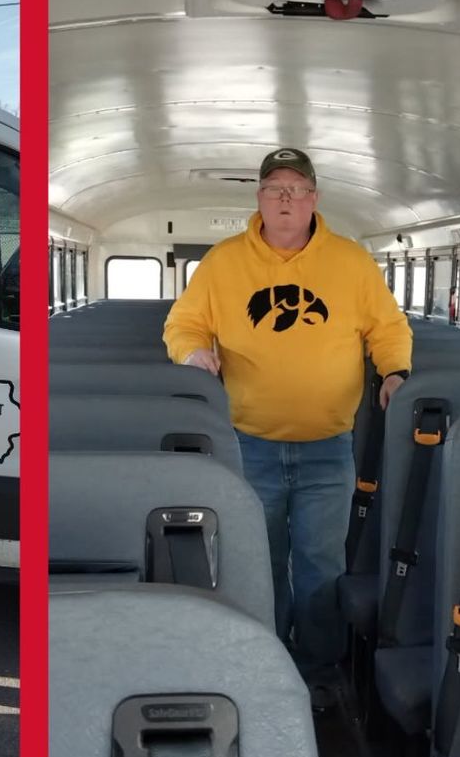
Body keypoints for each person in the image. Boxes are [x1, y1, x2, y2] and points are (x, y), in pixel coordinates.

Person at [162, 148, 412, 708]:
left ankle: (320, 670)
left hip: (328, 446)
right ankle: (266, 663)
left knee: (323, 564)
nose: (284, 199)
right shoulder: (224, 263)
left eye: (296, 189)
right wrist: (193, 351)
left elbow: (387, 327)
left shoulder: (351, 262)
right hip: (249, 442)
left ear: (314, 199)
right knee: (262, 559)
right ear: (258, 199)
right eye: (274, 188)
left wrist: (395, 372)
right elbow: (182, 324)